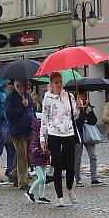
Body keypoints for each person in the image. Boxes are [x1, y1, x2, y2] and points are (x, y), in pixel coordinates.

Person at [40, 72, 78, 206]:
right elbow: (44, 119)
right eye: (56, 82)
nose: (59, 85)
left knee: (70, 166)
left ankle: (69, 188)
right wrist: (42, 139)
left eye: (60, 82)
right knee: (56, 165)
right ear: (51, 83)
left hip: (68, 132)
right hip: (54, 133)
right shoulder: (48, 98)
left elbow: (74, 116)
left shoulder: (69, 96)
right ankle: (60, 197)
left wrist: (78, 106)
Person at [5, 78, 35, 192]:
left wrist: (35, 123)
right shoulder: (10, 97)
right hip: (17, 131)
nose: (27, 88)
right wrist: (21, 106)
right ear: (18, 86)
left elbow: (31, 110)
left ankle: (14, 173)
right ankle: (23, 182)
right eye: (25, 86)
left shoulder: (28, 95)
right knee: (22, 156)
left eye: (27, 86)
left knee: (28, 156)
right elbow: (8, 114)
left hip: (29, 129)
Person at [73, 93, 102, 187]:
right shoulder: (74, 107)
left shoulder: (87, 105)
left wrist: (86, 117)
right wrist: (85, 114)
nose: (83, 97)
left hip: (89, 135)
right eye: (81, 95)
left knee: (93, 156)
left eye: (84, 95)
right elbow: (77, 122)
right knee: (77, 158)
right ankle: (77, 179)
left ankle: (94, 178)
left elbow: (94, 120)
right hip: (78, 134)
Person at [25, 115, 51, 203]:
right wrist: (43, 153)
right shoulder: (35, 137)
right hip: (36, 161)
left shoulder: (44, 136)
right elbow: (33, 149)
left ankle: (41, 196)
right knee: (41, 178)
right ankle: (29, 192)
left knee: (43, 179)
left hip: (43, 160)